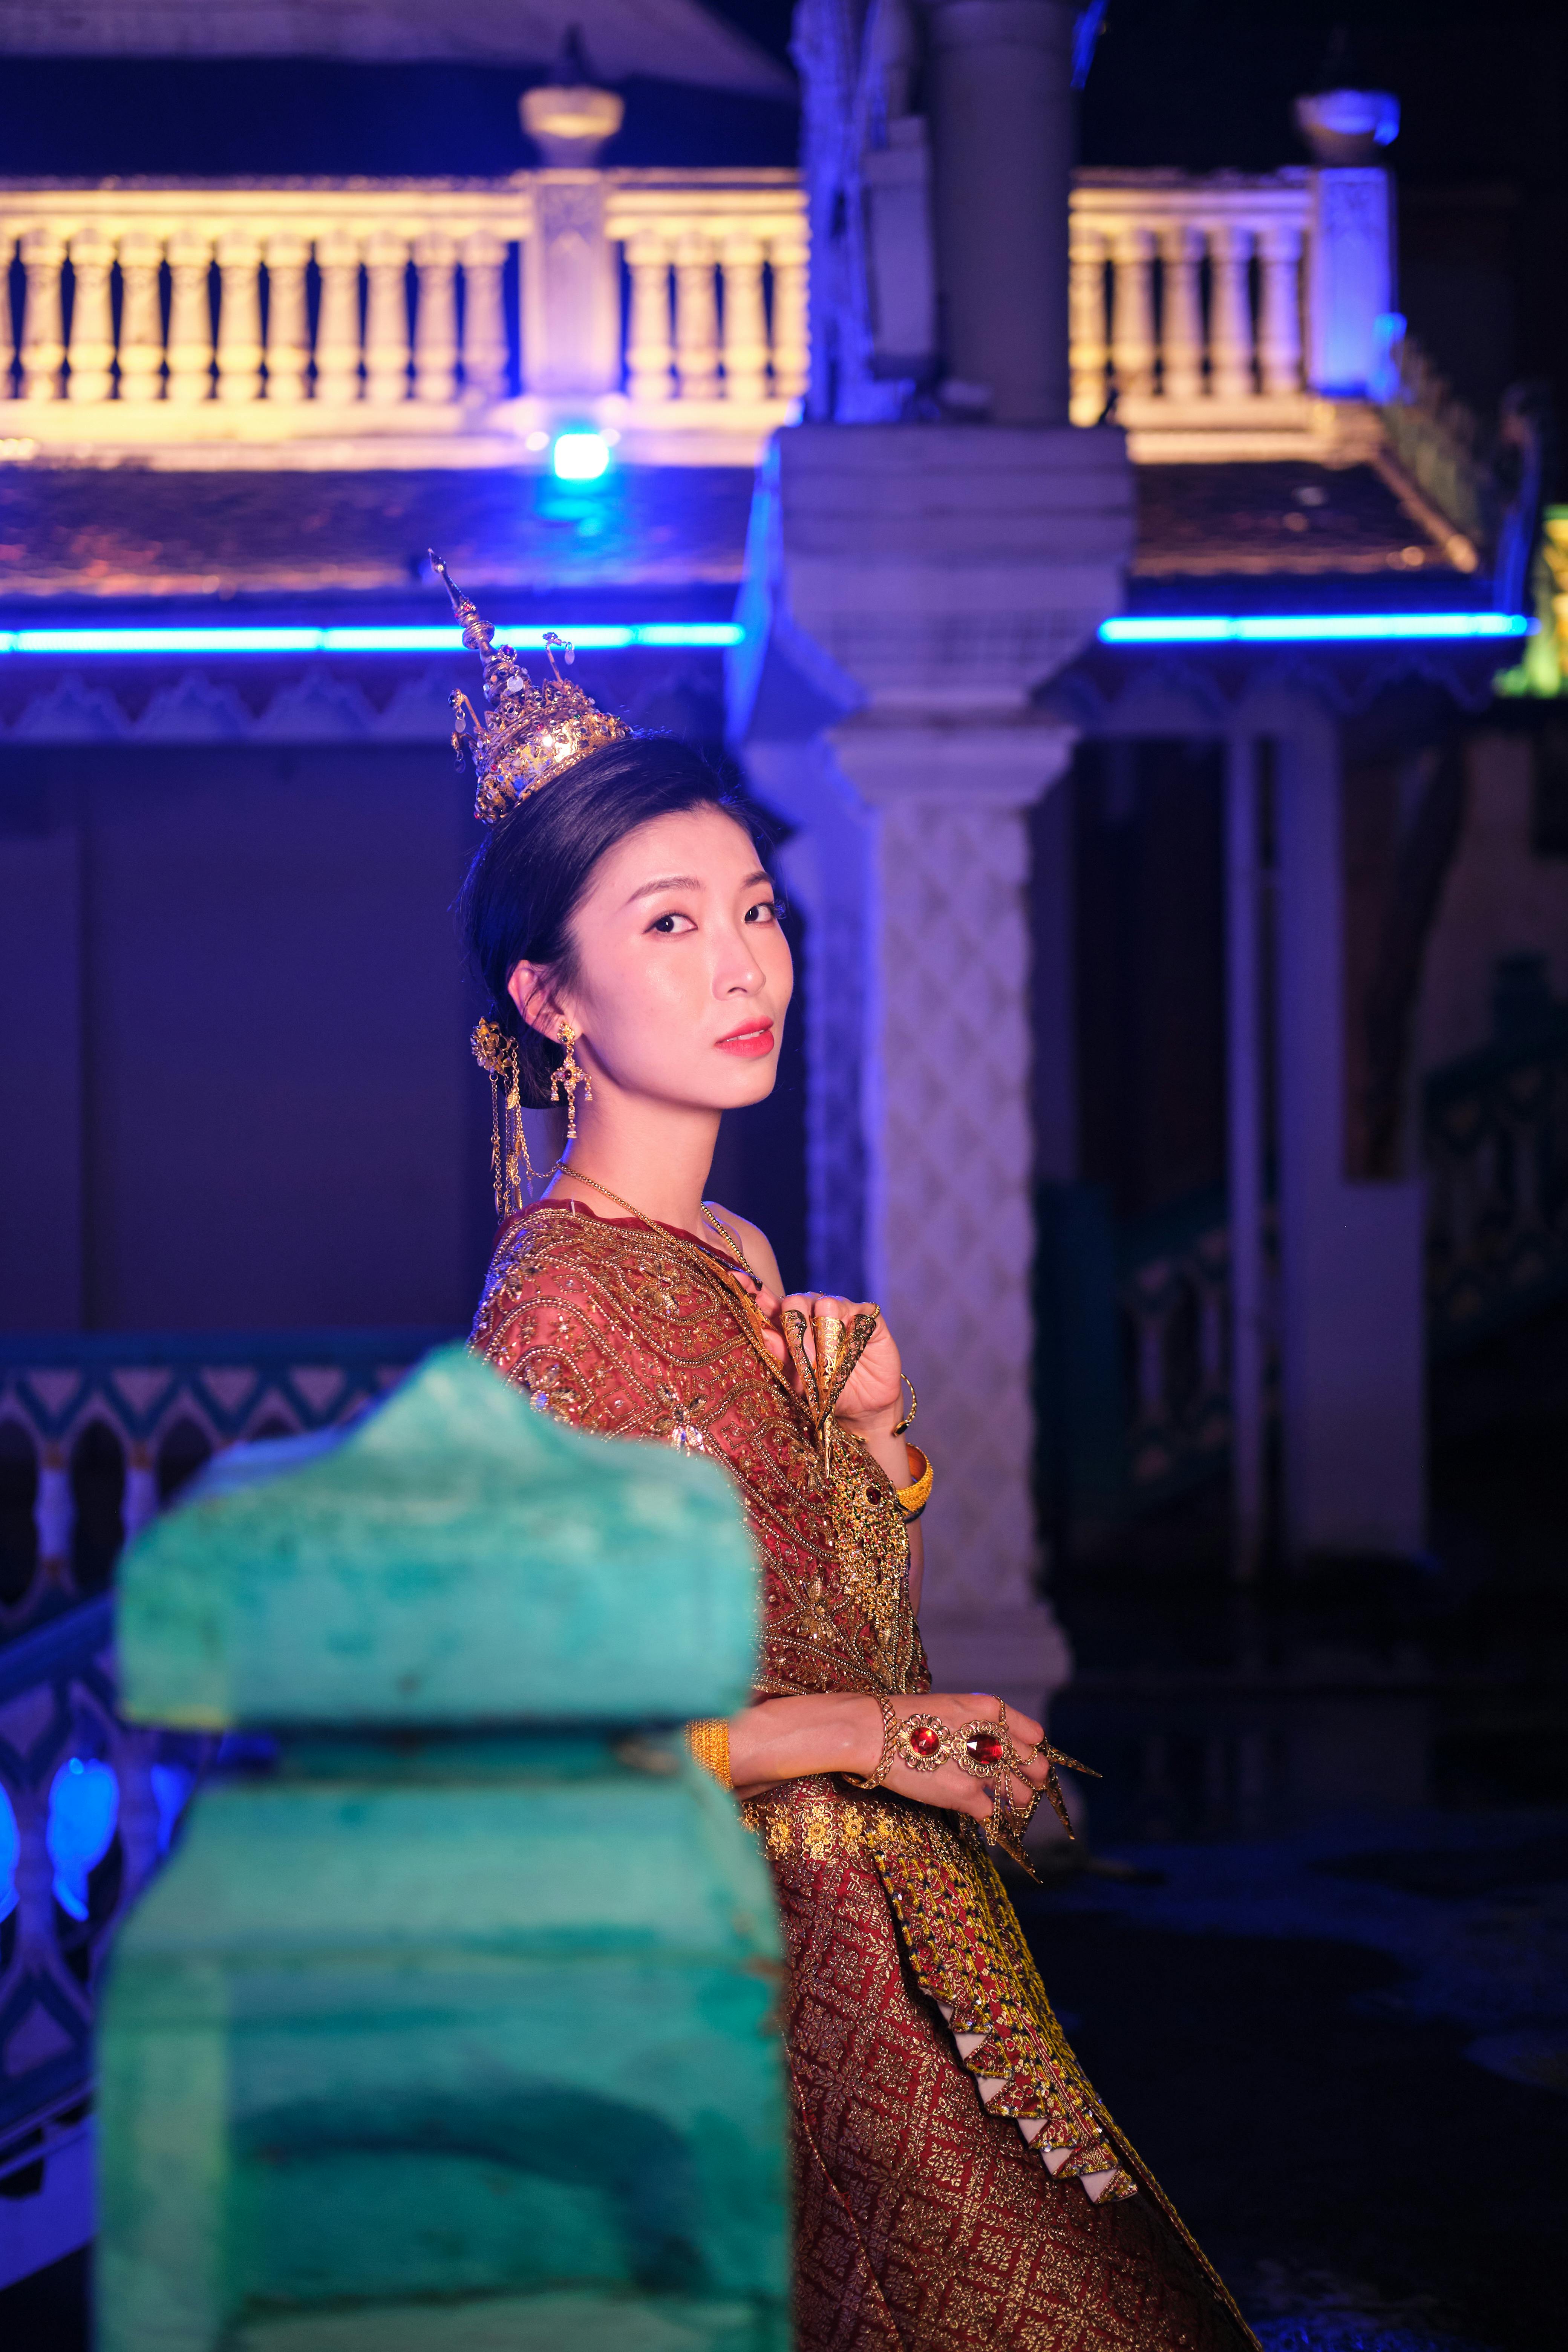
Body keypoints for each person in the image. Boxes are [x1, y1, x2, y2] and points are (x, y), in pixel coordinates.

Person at [438, 556, 1259, 2352]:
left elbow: (827, 1635)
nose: (743, 964)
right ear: (550, 999)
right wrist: (871, 1740)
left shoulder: (728, 1262)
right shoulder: (552, 1314)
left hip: (882, 1923)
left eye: (752, 908)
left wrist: (876, 1454)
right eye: (665, 924)